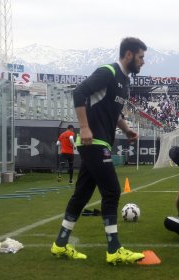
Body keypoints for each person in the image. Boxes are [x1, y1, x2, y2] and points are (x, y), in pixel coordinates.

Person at [51, 37, 147, 265]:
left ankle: (60, 245)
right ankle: (114, 249)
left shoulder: (125, 83)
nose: (143, 62)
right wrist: (84, 127)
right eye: (141, 57)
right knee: (112, 191)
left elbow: (114, 113)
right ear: (129, 55)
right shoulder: (108, 72)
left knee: (82, 195)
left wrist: (128, 130)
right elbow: (79, 93)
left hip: (101, 142)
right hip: (94, 142)